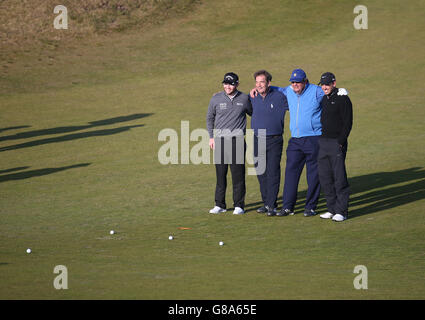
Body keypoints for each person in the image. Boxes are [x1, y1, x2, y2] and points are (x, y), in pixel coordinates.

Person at [250, 68, 347, 217]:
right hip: (295, 140)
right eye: (293, 82)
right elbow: (277, 88)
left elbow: (329, 92)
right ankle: (288, 207)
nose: (295, 84)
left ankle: (310, 207)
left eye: (298, 82)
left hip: (314, 138)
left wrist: (340, 91)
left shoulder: (316, 91)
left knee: (313, 174)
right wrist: (257, 88)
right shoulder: (289, 91)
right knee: (291, 173)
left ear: (305, 82)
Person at [206, 72, 252, 215]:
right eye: (226, 83)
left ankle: (239, 205)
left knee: (237, 175)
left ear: (237, 84)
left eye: (231, 84)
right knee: (221, 174)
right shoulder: (216, 98)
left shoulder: (244, 98)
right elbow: (209, 118)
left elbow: (254, 113)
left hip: (237, 141)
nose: (228, 86)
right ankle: (220, 204)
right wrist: (211, 137)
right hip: (219, 141)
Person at [250, 70, 288, 216]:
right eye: (257, 82)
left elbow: (295, 99)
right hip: (257, 138)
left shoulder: (280, 96)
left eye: (262, 82)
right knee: (261, 172)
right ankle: (266, 203)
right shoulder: (252, 97)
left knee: (273, 172)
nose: (259, 85)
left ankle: (272, 205)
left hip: (274, 140)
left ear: (268, 83)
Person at [317, 72, 353, 222]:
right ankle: (331, 209)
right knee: (325, 177)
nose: (325, 87)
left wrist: (340, 141)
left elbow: (348, 122)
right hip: (323, 142)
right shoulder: (325, 99)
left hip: (336, 143)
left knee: (339, 178)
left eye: (327, 84)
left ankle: (341, 211)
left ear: (334, 83)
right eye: (323, 84)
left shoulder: (343, 99)